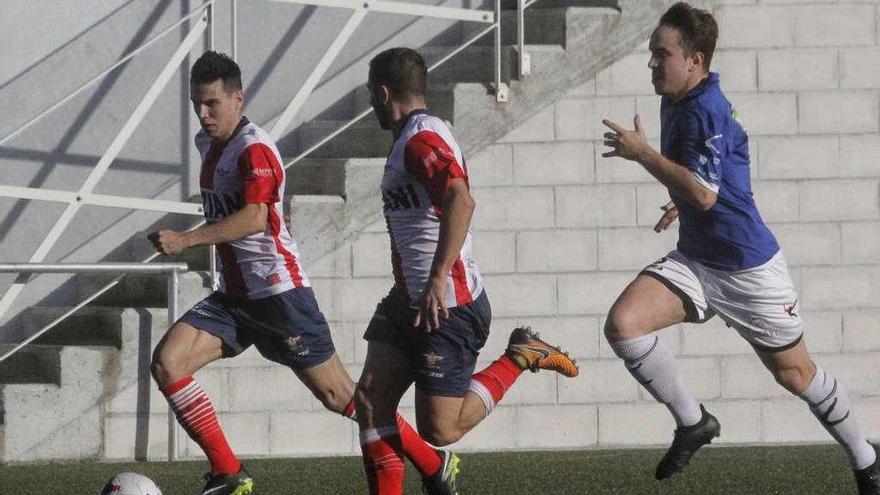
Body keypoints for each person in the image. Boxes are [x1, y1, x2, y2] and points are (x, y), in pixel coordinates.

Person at [149, 51, 459, 495]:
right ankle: (229, 472)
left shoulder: (254, 149)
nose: (203, 114)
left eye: (212, 104)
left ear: (238, 98)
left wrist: (186, 239)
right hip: (235, 298)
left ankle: (434, 462)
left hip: (279, 296)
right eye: (197, 104)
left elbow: (256, 218)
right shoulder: (209, 145)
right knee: (167, 363)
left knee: (343, 398)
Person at [599, 3, 880, 493]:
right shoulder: (677, 97)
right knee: (624, 325)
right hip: (698, 259)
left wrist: (644, 156)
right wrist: (677, 199)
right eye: (650, 53)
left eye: (660, 54)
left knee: (795, 376)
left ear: (695, 59)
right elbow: (710, 181)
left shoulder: (705, 107)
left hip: (747, 268)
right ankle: (693, 422)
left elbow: (706, 194)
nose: (651, 63)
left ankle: (866, 460)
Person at [353, 46, 580, 495]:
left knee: (441, 430)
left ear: (382, 93)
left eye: (370, 95)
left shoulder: (421, 140)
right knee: (369, 401)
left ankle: (521, 356)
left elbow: (461, 199)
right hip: (408, 300)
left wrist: (437, 277)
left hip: (448, 306)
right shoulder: (414, 137)